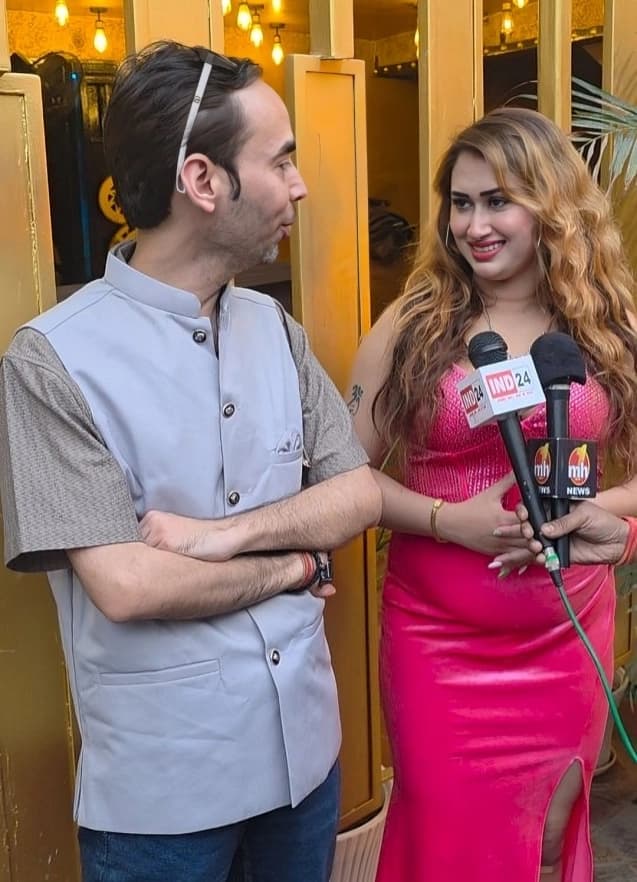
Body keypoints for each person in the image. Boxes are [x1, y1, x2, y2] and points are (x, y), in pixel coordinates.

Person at [0, 41, 382, 882]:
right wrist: (294, 564)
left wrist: (220, 538)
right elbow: (129, 585)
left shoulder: (274, 329)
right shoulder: (52, 362)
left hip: (304, 763)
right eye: (280, 160)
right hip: (165, 800)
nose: (299, 185)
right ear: (203, 180)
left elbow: (356, 492)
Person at [349, 106, 637, 882]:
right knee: (449, 844)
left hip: (565, 636)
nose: (473, 226)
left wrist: (591, 515)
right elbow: (343, 477)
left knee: (543, 842)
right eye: (460, 203)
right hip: (436, 642)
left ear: (551, 206)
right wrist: (448, 521)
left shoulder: (606, 325)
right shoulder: (414, 322)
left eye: (497, 201)